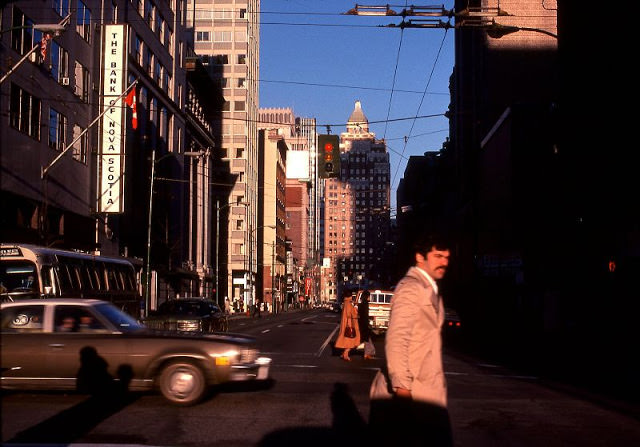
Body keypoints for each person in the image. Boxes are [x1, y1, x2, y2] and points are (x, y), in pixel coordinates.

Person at [370, 233, 453, 446]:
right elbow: (397, 339)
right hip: (410, 393)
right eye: (437, 256)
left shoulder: (430, 287)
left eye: (446, 256)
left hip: (426, 391)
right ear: (419, 257)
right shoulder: (411, 288)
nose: (444, 261)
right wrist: (402, 389)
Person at [334, 290, 360, 361]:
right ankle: (345, 354)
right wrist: (355, 311)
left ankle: (344, 353)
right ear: (350, 296)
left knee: (347, 340)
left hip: (346, 324)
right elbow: (349, 314)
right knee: (351, 340)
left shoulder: (346, 303)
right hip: (350, 324)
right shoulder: (348, 304)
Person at [357, 290, 375, 360]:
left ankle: (367, 353)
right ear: (367, 296)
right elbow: (365, 315)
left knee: (366, 339)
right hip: (364, 324)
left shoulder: (360, 304)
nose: (369, 297)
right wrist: (368, 321)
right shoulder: (366, 304)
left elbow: (360, 314)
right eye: (369, 296)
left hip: (361, 323)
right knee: (366, 339)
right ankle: (367, 354)